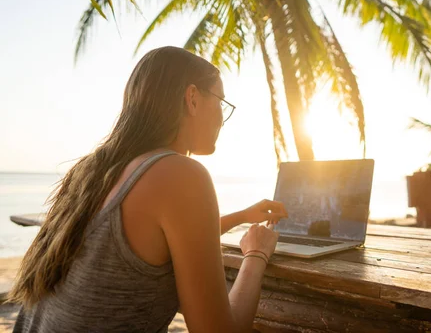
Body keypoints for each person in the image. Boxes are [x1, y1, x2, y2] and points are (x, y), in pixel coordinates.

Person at [9, 46, 288, 332]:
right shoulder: (181, 174)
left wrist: (241, 216)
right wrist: (257, 254)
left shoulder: (92, 171)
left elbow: (157, 240)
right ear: (192, 98)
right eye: (221, 103)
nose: (222, 118)